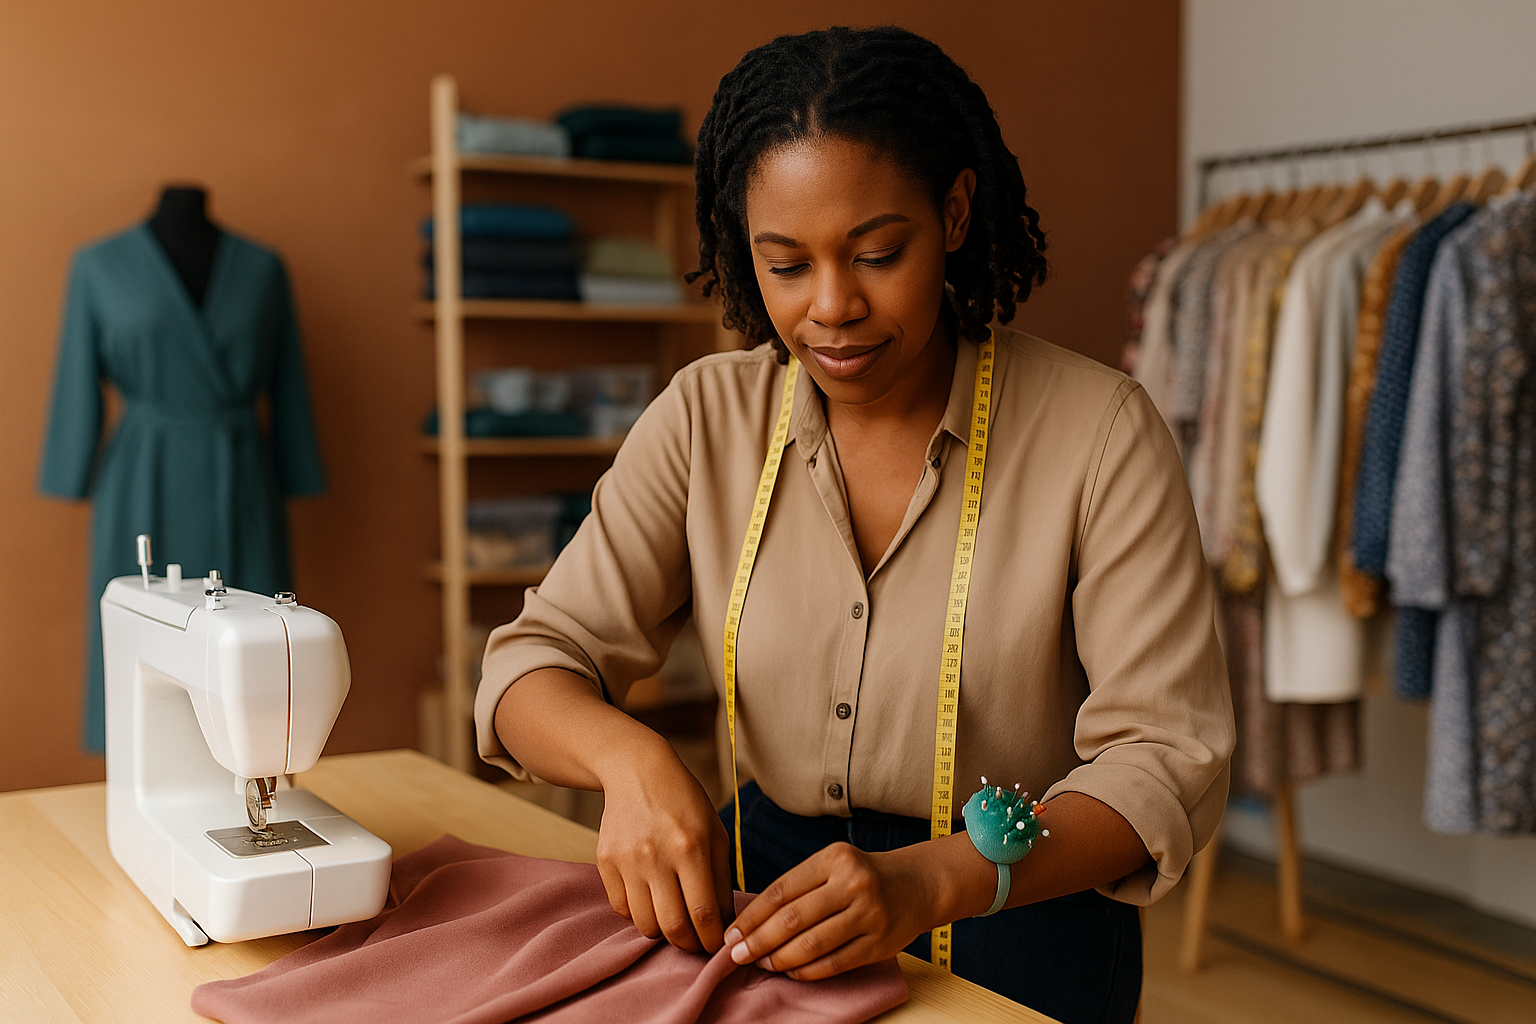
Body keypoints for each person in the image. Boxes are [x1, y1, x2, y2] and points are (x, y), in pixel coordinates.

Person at [475, 25, 1233, 1024]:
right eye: (786, 265)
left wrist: (931, 880)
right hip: (769, 900)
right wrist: (632, 761)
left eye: (877, 254)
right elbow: (530, 664)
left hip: (1018, 900)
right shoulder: (707, 418)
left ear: (954, 213)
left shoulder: (1101, 433)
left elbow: (1164, 756)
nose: (832, 306)